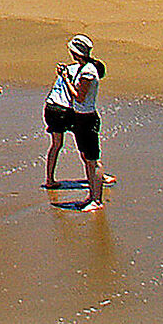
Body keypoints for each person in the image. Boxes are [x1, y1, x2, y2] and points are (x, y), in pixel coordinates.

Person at [45, 33, 111, 208]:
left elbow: (79, 97)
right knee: (86, 157)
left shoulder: (88, 71)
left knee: (92, 159)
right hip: (80, 117)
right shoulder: (84, 68)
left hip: (87, 118)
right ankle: (92, 195)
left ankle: (97, 200)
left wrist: (66, 79)